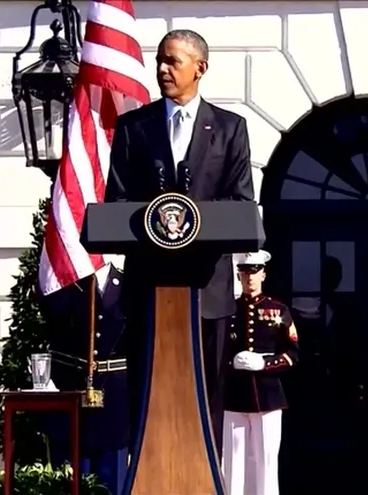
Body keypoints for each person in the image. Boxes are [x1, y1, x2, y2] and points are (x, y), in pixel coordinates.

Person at [105, 28, 255, 453]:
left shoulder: (229, 129)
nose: (163, 69)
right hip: (148, 289)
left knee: (206, 400)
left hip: (207, 291)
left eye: (173, 61)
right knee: (147, 398)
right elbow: (117, 202)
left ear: (200, 68)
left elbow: (241, 202)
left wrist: (193, 222)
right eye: (159, 61)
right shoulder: (134, 127)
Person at [42, 259, 128, 494]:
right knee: (70, 478)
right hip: (71, 393)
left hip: (115, 398)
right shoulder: (62, 285)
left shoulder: (129, 285)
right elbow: (50, 314)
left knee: (113, 479)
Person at [223, 250, 298, 495]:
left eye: (254, 272)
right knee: (233, 460)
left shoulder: (278, 309)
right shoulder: (228, 311)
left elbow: (292, 353)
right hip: (235, 395)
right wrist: (230, 362)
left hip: (268, 396)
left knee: (266, 459)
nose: (250, 278)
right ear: (238, 275)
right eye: (245, 273)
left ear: (263, 274)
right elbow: (215, 351)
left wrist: (265, 364)